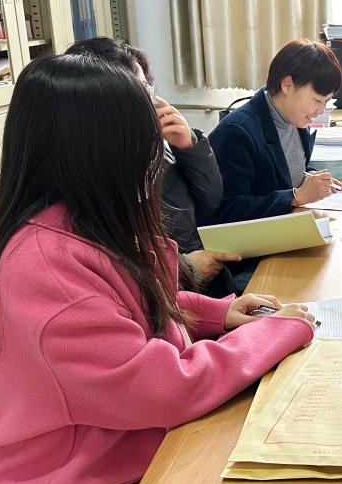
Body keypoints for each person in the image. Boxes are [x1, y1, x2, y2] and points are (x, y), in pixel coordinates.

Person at [0, 54, 342, 484]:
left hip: (124, 454)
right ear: (100, 148)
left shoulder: (79, 221)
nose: (156, 155)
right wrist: (274, 332)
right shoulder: (44, 267)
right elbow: (161, 387)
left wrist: (218, 312)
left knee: (293, 474)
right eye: (146, 139)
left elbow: (135, 306)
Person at [65, 37, 239, 298]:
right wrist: (184, 268)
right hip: (167, 291)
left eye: (145, 87)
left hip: (203, 278)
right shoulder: (94, 166)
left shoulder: (158, 140)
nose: (146, 100)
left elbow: (210, 200)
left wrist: (189, 148)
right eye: (133, 91)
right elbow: (117, 265)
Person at [210, 39, 342, 223]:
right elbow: (228, 211)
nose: (321, 111)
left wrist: (311, 178)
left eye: (326, 101)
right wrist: (296, 196)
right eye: (317, 100)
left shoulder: (295, 119)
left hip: (285, 223)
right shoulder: (237, 132)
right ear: (287, 85)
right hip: (253, 237)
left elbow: (284, 172)